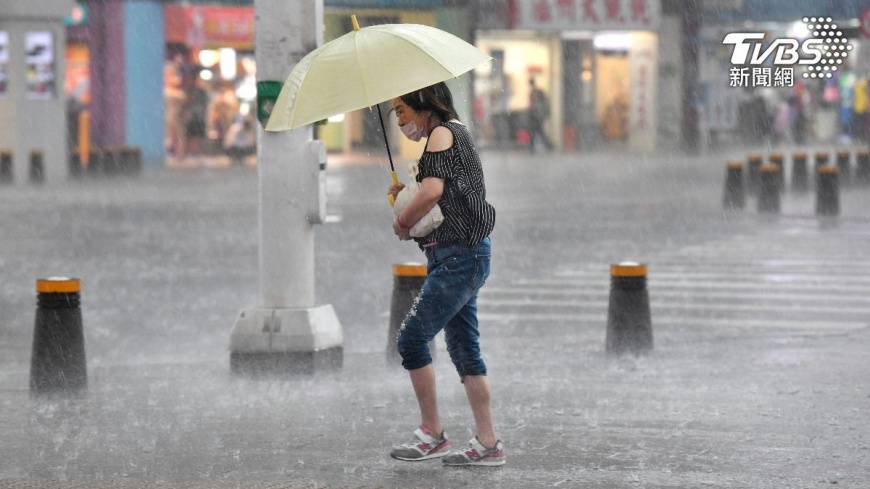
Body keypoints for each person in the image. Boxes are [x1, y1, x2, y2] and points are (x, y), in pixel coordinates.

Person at [387, 82, 504, 467]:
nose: (400, 121)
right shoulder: (452, 134)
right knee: (465, 351)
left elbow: (433, 191)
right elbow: (440, 189)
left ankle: (431, 433)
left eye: (402, 111)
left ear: (423, 104)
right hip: (459, 255)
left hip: (459, 257)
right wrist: (406, 193)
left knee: (411, 340)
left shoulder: (441, 133)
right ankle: (488, 444)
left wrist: (403, 219)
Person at [528, 78, 553, 152]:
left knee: (537, 131)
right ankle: (546, 145)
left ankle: (547, 145)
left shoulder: (535, 92)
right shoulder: (536, 92)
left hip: (536, 115)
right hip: (538, 115)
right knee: (538, 131)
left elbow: (535, 104)